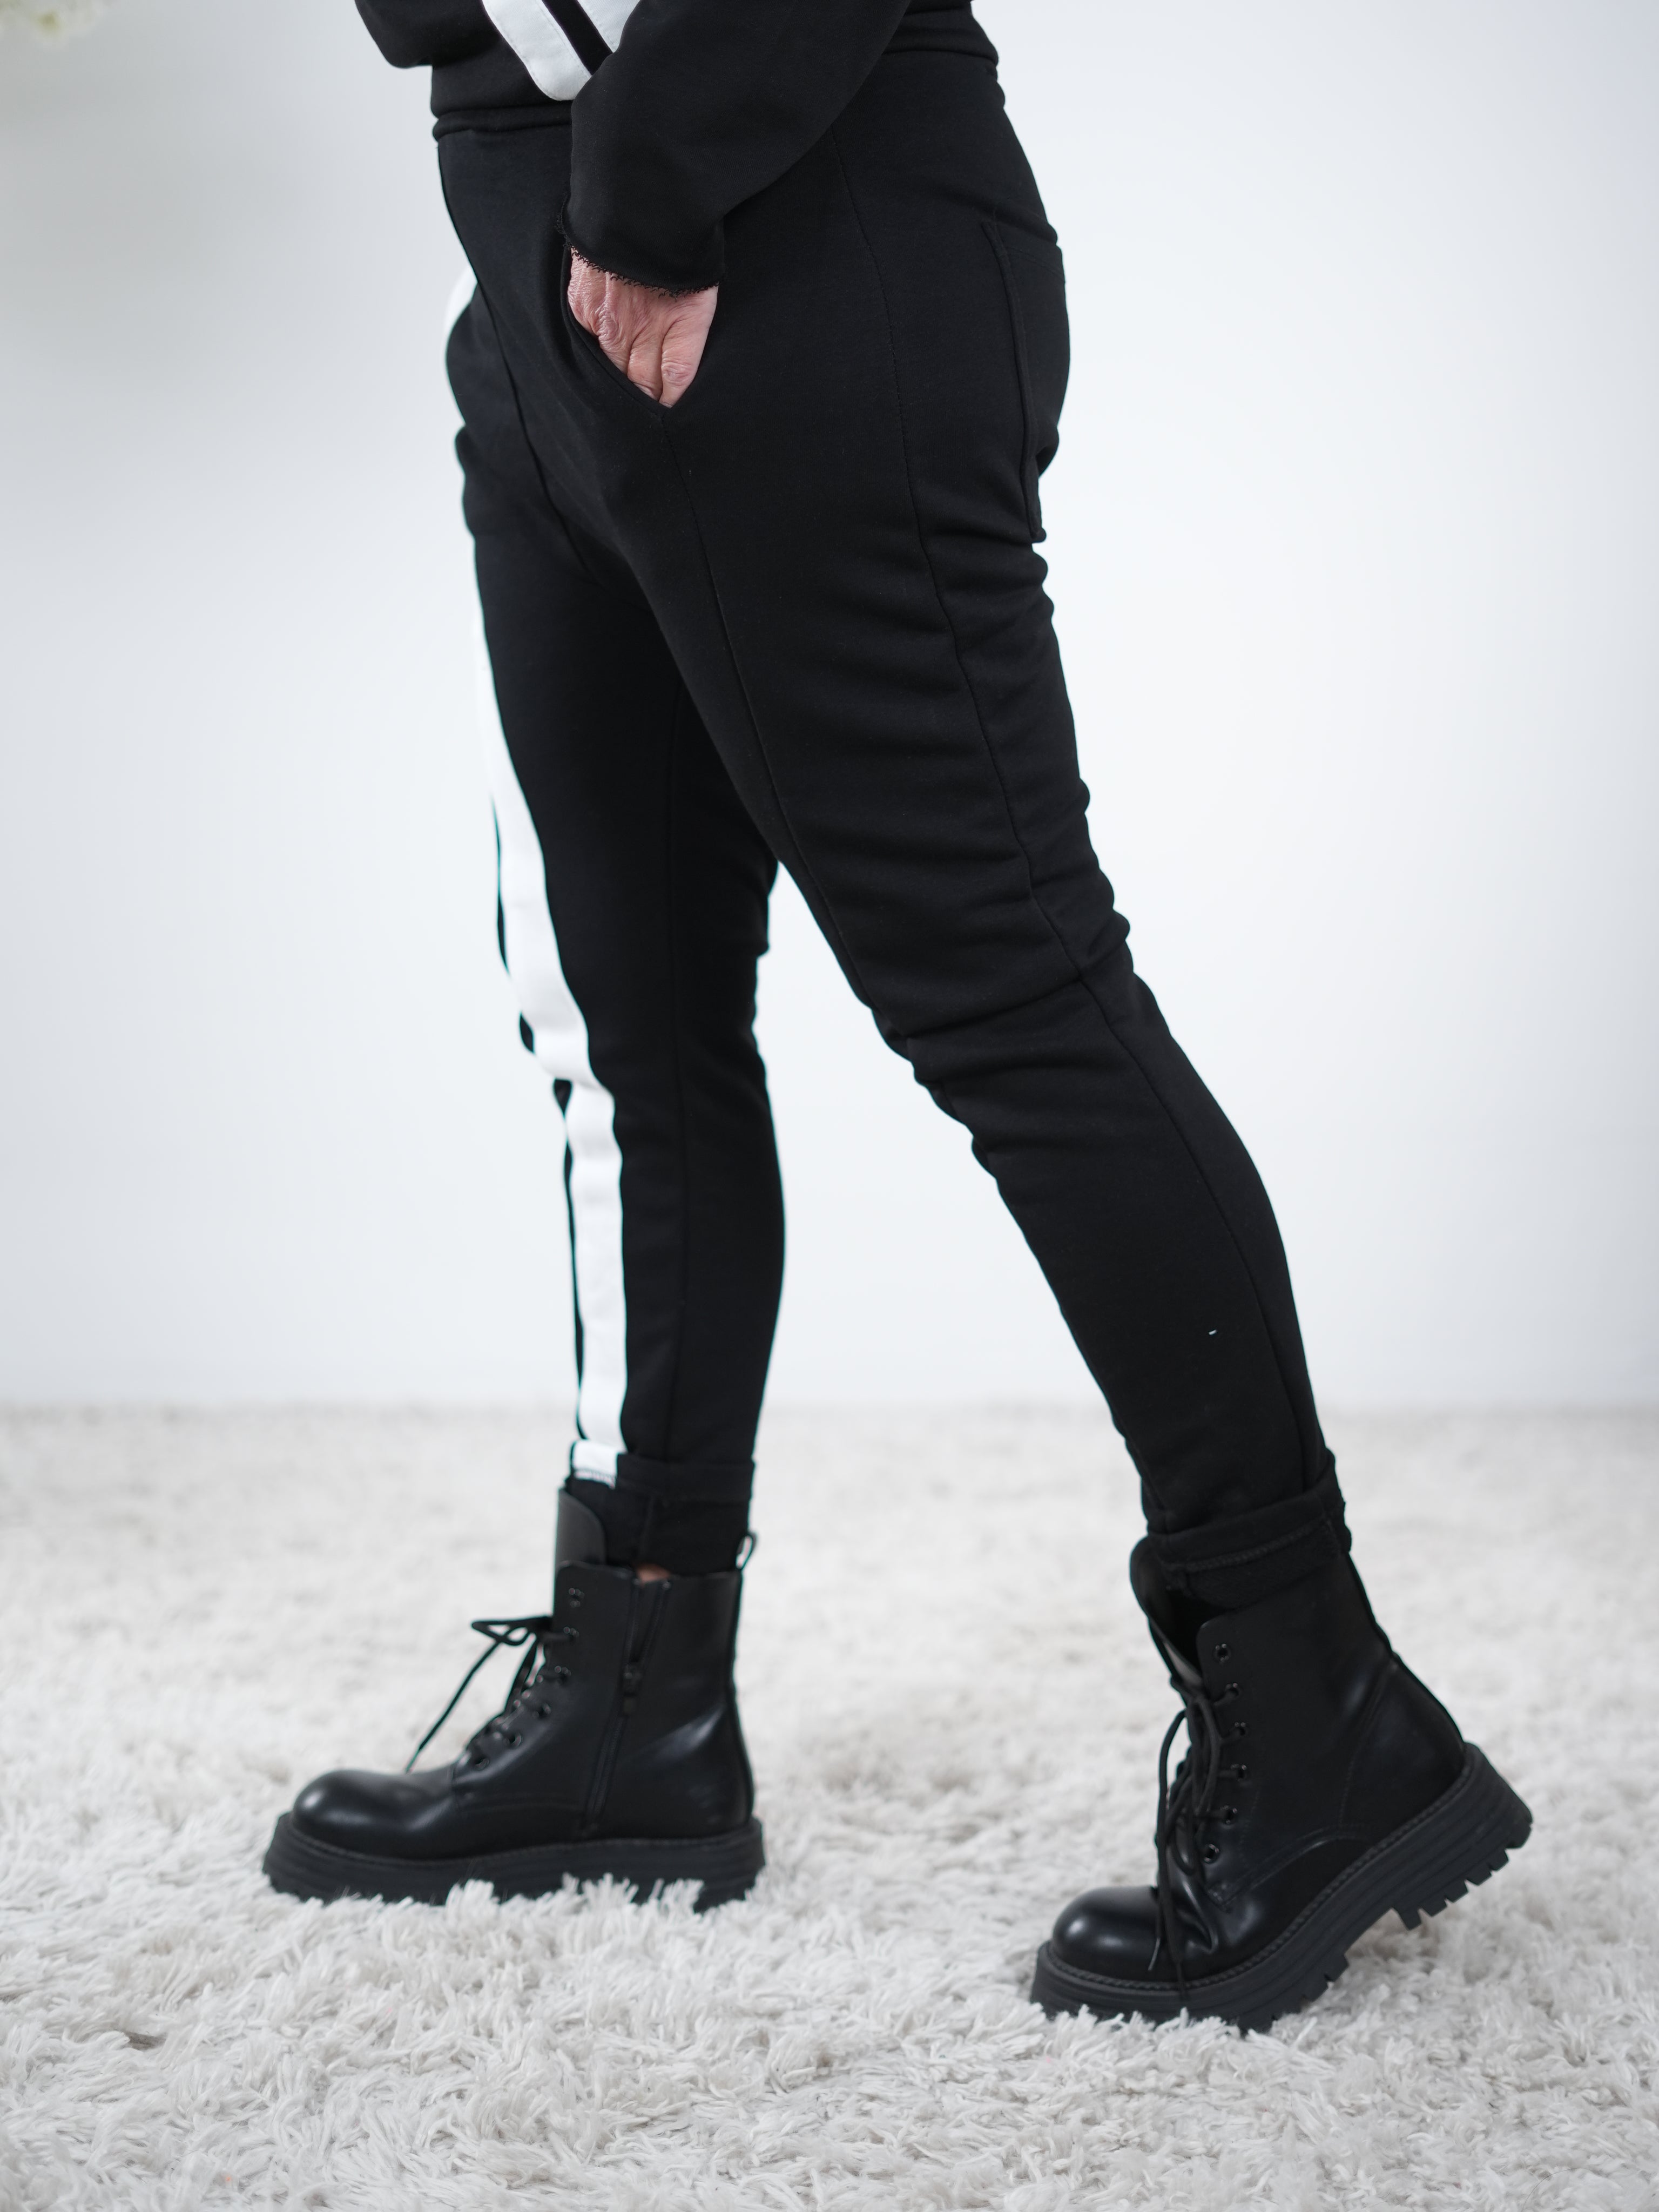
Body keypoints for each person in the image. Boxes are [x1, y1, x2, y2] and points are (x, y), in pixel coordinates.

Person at [263, 0, 1530, 2030]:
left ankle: (1318, 1710)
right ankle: (639, 1696)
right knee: (627, 1031)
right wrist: (557, 229)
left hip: (777, 224)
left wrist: (656, 179)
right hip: (533, 258)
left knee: (1016, 997)